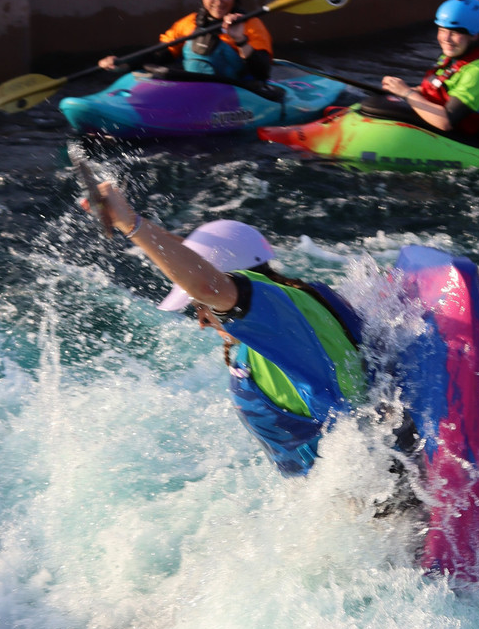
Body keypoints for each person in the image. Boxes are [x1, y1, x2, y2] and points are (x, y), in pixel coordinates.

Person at [87, 180, 369, 476]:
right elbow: (205, 266)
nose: (202, 320)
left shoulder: (272, 315)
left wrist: (130, 224)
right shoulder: (297, 301)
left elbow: (208, 283)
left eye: (199, 306)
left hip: (370, 498)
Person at [380, 0, 479, 151]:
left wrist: (407, 93)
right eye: (442, 30)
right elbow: (439, 88)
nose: (446, 39)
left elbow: (445, 122)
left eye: (455, 32)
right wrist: (399, 90)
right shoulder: (455, 54)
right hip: (459, 128)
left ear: (475, 35)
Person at [98, 0, 273, 82]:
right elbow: (160, 54)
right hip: (195, 91)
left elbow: (263, 72)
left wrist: (240, 40)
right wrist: (125, 63)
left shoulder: (250, 25)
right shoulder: (189, 23)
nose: (218, 0)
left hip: (236, 94)